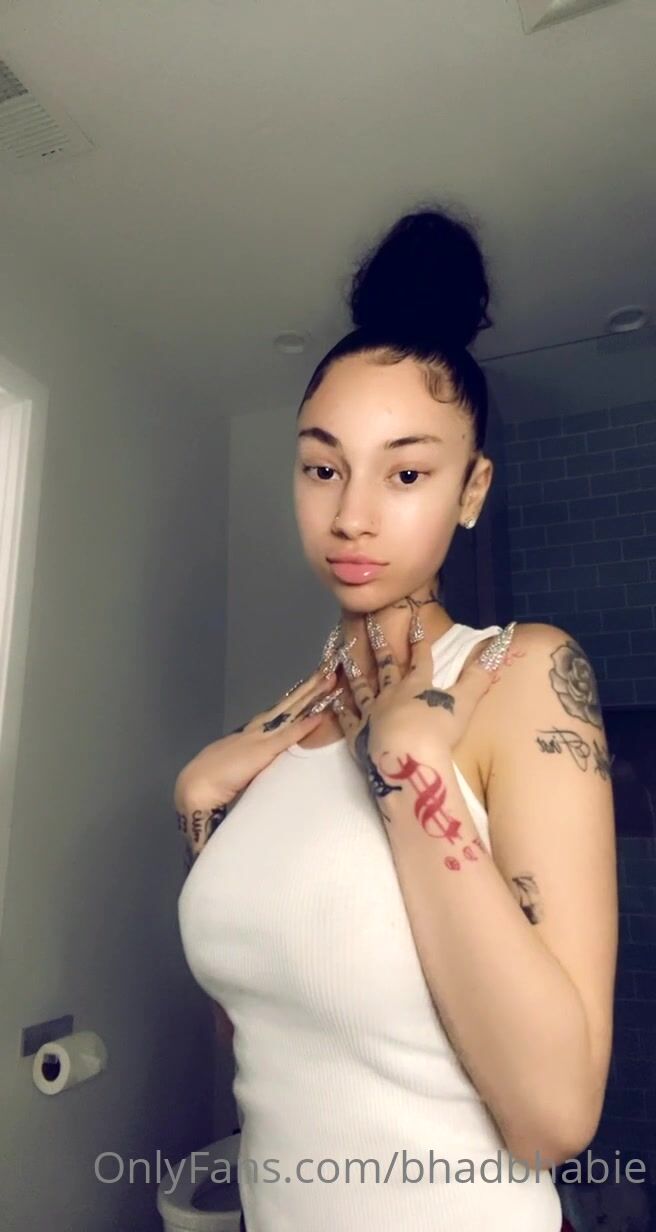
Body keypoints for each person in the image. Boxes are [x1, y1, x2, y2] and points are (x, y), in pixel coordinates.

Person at [175, 205, 617, 1232]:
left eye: (406, 472)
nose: (351, 514)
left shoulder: (520, 674)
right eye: (323, 466)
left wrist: (407, 763)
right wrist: (197, 812)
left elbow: (553, 1120)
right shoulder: (275, 731)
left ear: (471, 489)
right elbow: (266, 1031)